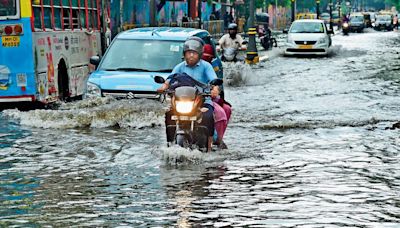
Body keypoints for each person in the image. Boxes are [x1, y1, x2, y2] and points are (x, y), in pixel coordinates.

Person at [157, 37, 218, 151]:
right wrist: (163, 87)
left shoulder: (206, 66)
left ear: (199, 54)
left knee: (208, 116)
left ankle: (209, 146)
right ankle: (169, 143)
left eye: (194, 53)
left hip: (202, 101)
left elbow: (213, 81)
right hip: (183, 101)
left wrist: (215, 89)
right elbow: (169, 80)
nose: (191, 55)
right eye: (188, 53)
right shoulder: (180, 66)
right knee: (169, 114)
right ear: (184, 54)